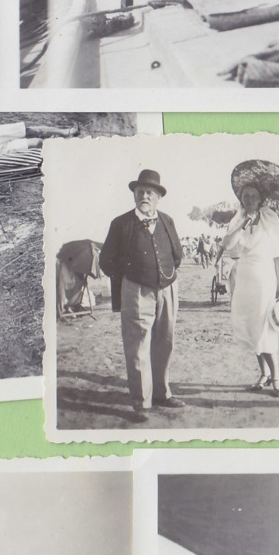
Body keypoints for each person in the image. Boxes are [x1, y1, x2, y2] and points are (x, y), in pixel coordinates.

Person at [101, 169, 184, 423]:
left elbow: (178, 254)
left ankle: (161, 393)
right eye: (140, 191)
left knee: (165, 342)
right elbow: (106, 262)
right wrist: (130, 276)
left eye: (150, 192)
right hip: (136, 290)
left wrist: (166, 276)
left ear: (158, 196)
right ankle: (141, 403)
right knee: (138, 346)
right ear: (134, 195)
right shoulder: (121, 224)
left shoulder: (168, 220)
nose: (144, 195)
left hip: (168, 289)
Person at [221, 183, 279, 397]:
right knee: (251, 327)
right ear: (241, 199)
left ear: (260, 199)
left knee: (265, 326)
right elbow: (228, 245)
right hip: (245, 277)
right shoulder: (238, 219)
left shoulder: (270, 220)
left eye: (253, 196)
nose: (249, 199)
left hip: (265, 278)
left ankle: (276, 376)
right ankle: (264, 373)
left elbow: (277, 254)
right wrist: (242, 224)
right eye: (245, 196)